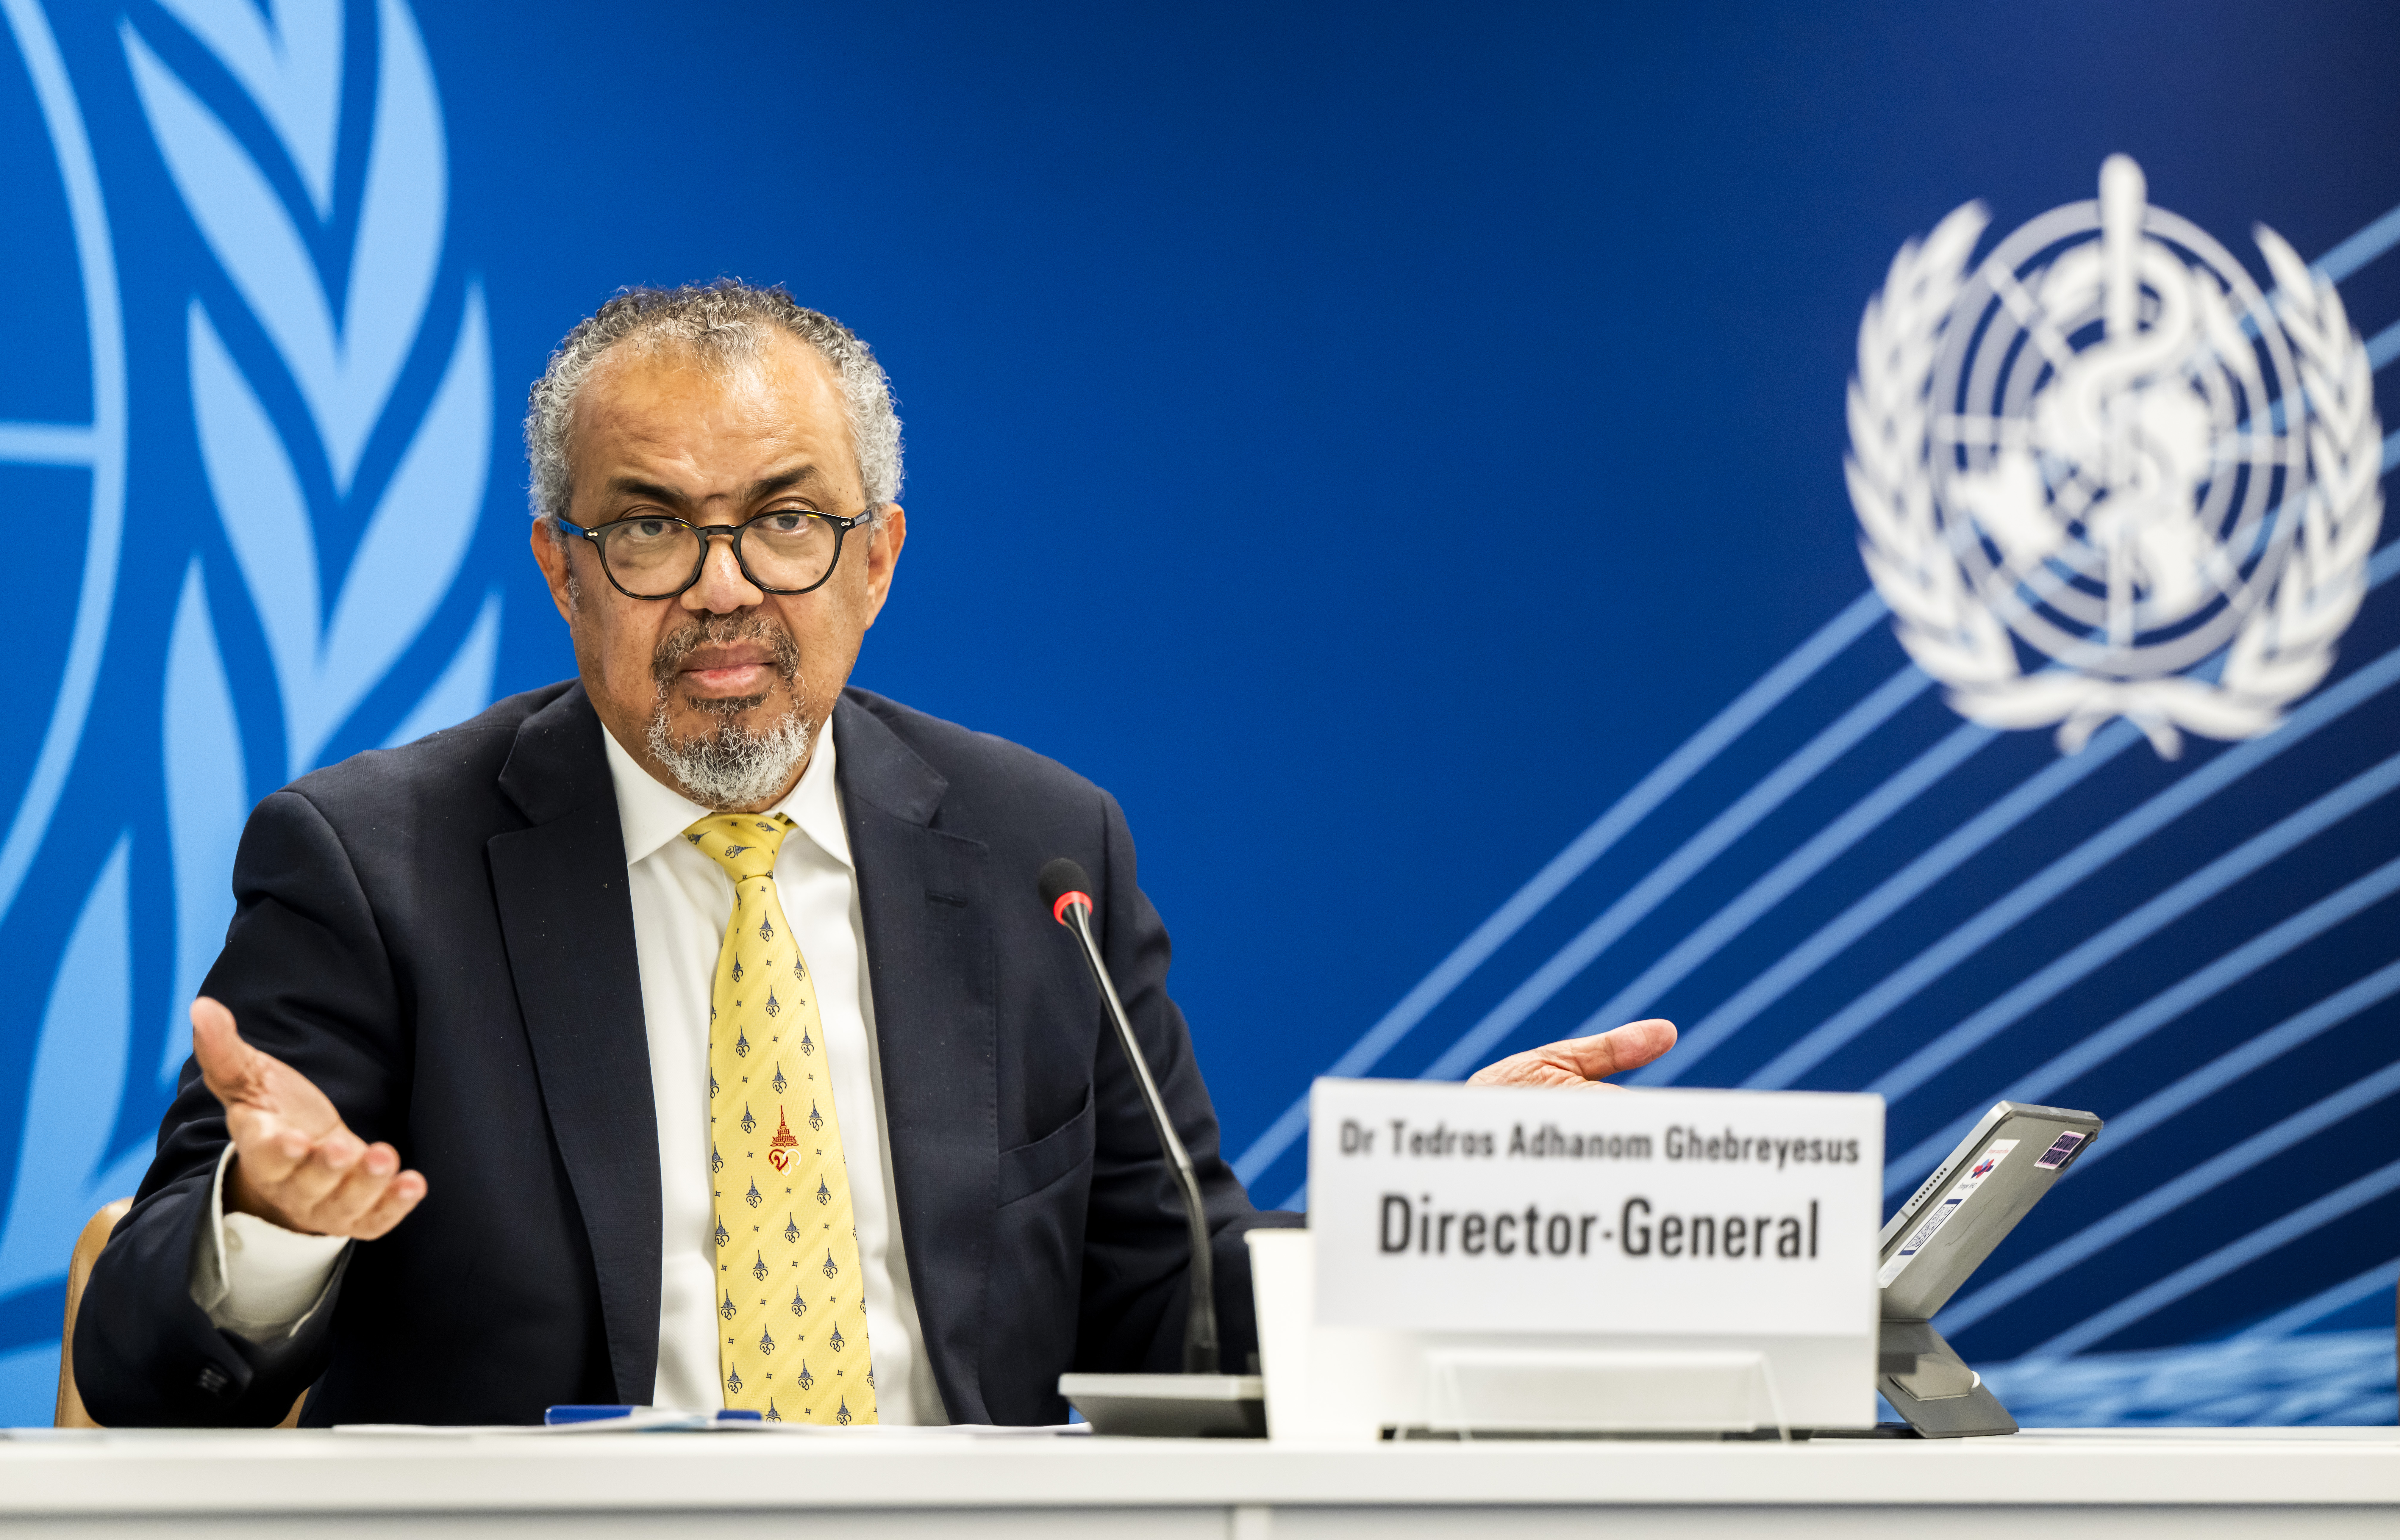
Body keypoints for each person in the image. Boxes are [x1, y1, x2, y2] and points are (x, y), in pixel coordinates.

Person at [75, 282, 1677, 1427]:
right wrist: (274, 1228)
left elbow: (1172, 1308)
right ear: (565, 570)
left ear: (879, 560)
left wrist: (1440, 1208)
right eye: (648, 527)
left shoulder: (1044, 851)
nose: (722, 586)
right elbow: (149, 1366)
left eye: (787, 520)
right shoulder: (374, 862)